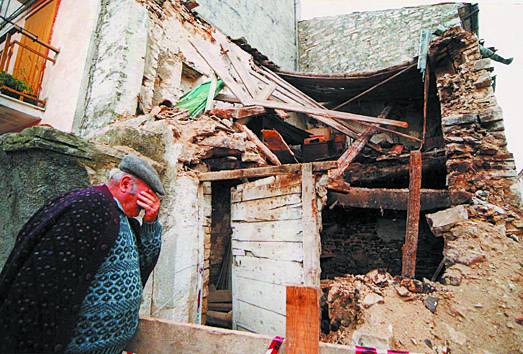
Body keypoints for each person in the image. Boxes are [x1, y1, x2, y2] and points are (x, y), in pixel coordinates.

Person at [0, 154, 165, 354]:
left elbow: (144, 264)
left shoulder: (125, 220)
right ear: (125, 184)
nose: (146, 207)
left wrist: (150, 223)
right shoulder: (87, 206)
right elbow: (42, 278)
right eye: (146, 198)